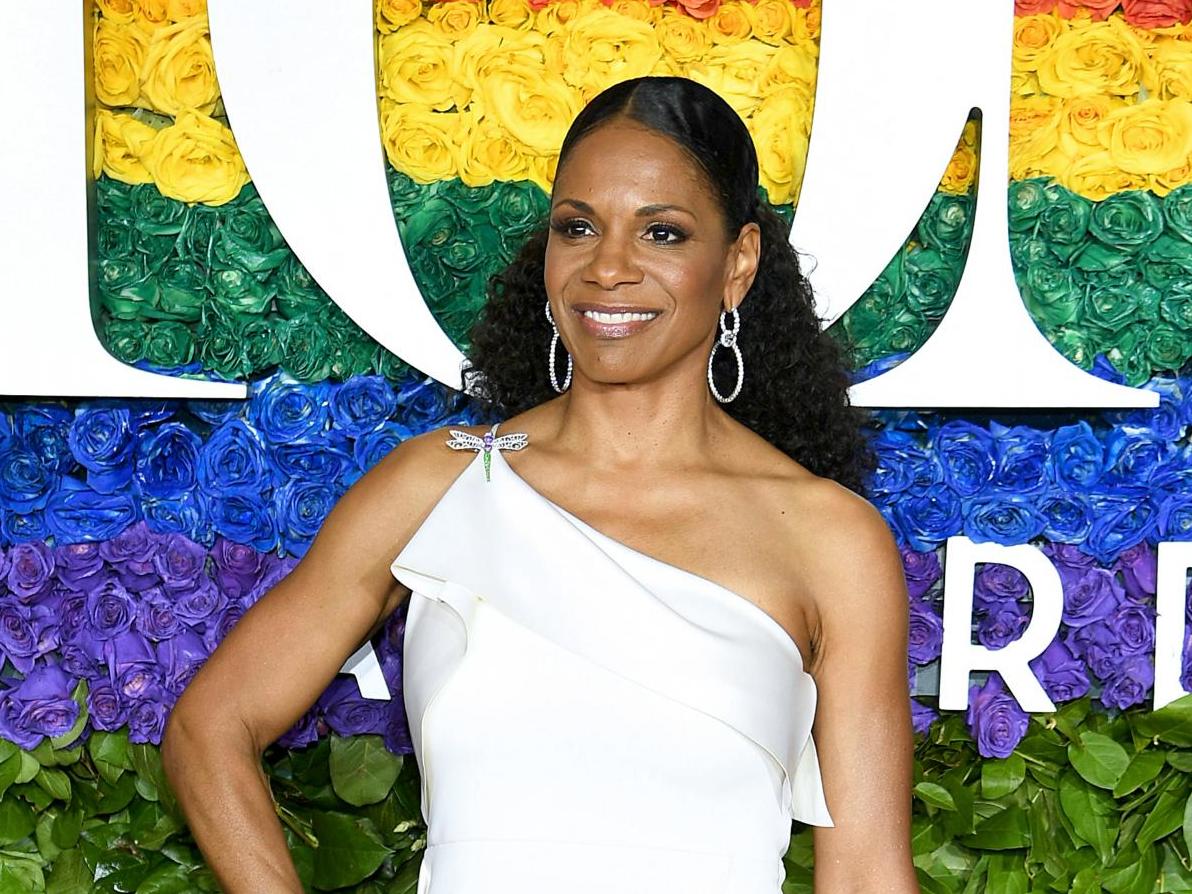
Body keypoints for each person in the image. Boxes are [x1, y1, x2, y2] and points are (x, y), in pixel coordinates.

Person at [162, 75, 918, 893]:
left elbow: (869, 874)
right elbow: (212, 726)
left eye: (661, 233)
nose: (609, 268)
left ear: (737, 265)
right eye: (579, 227)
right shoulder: (442, 482)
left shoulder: (829, 538)